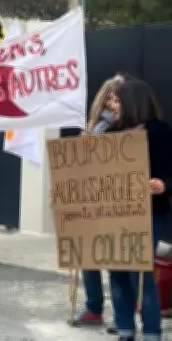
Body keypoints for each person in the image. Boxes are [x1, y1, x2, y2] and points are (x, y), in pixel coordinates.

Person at [106, 79, 171, 341]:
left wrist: (164, 184)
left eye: (117, 100)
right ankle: (125, 329)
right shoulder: (110, 133)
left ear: (132, 103)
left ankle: (152, 331)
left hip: (149, 211)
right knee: (116, 268)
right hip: (114, 211)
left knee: (140, 268)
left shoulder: (161, 133)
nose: (112, 105)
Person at [73, 75, 125, 330]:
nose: (113, 104)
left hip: (117, 197)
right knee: (88, 254)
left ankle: (122, 313)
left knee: (117, 259)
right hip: (90, 195)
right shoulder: (94, 125)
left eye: (117, 99)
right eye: (109, 99)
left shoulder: (131, 125)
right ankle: (94, 307)